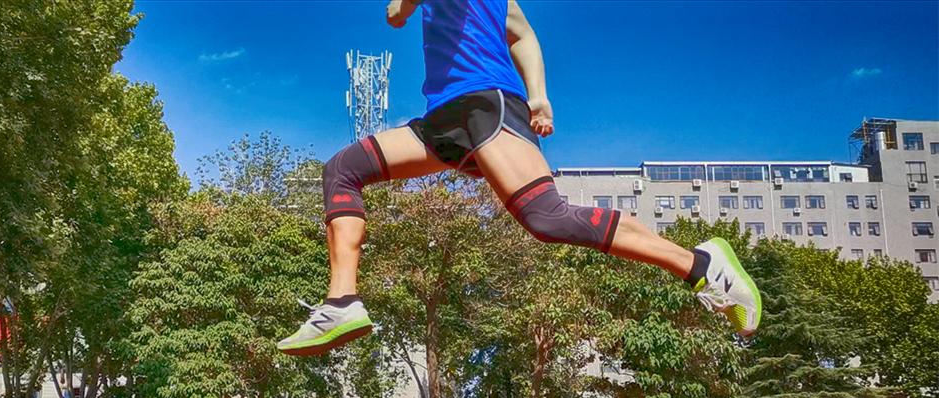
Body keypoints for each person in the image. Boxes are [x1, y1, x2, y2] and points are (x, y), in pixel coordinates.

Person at [277, 0, 761, 356]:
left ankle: (702, 265)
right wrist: (541, 96)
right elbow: (522, 32)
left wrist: (401, 9)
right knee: (343, 169)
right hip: (446, 118)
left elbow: (396, 13)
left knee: (547, 218)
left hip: (484, 103)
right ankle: (342, 302)